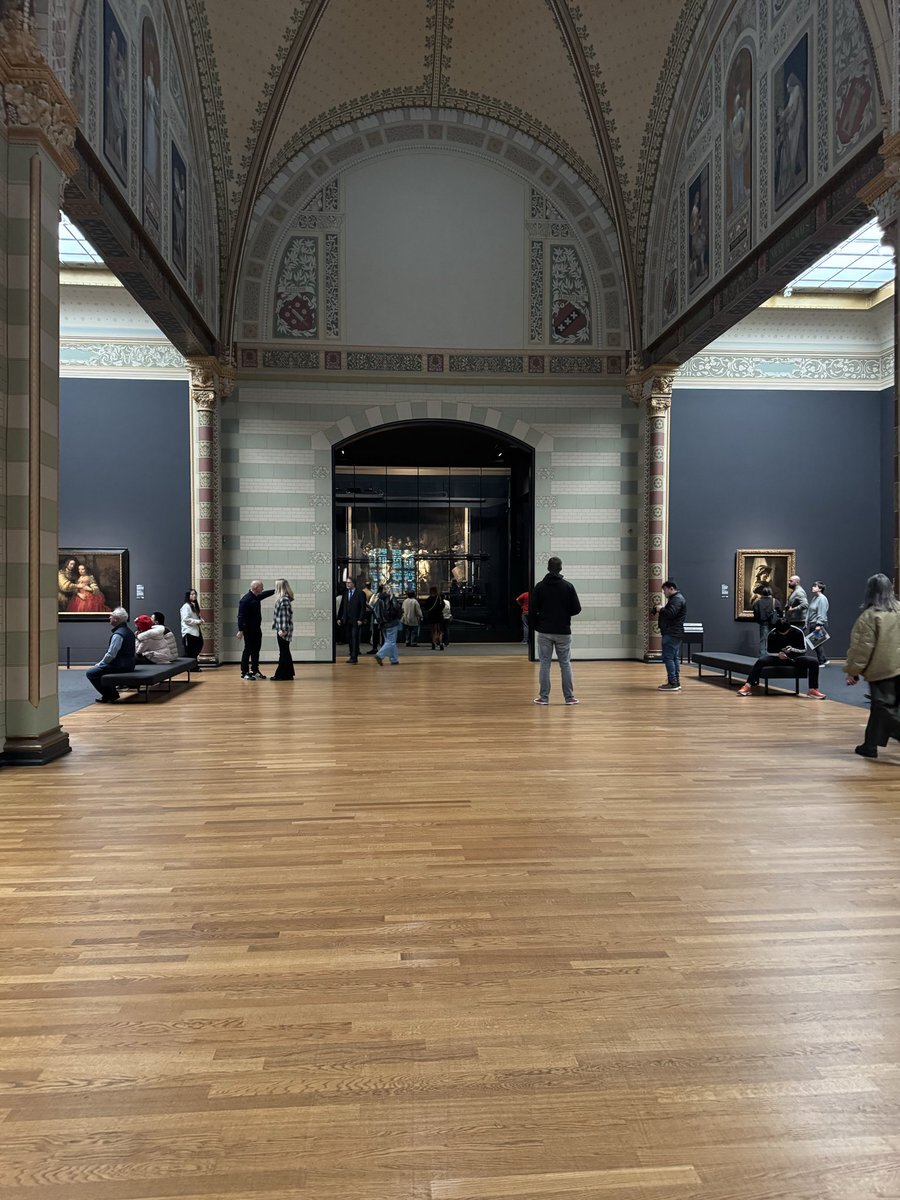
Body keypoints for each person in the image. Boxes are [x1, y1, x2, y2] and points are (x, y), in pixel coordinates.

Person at [844, 573, 900, 758]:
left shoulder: (869, 616)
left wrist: (853, 671)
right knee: (880, 708)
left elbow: (862, 648)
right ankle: (870, 745)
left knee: (884, 709)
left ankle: (871, 745)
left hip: (883, 669)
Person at [531, 555, 582, 705]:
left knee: (544, 664)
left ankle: (543, 698)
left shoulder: (540, 587)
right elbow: (577, 609)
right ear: (560, 568)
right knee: (565, 664)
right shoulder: (568, 586)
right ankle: (569, 698)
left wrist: (538, 625)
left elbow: (532, 610)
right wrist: (564, 614)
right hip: (563, 631)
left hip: (544, 631)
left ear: (548, 568)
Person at [737, 618, 826, 698]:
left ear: (789, 628)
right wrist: (778, 654)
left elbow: (803, 649)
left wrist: (792, 649)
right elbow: (769, 651)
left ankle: (813, 690)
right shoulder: (772, 634)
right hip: (778, 658)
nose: (783, 634)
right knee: (761, 661)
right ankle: (747, 686)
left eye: (785, 632)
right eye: (781, 633)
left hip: (795, 658)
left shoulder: (798, 632)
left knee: (814, 662)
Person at [86, 607, 135, 703]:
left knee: (91, 673)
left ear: (116, 619)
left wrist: (100, 664)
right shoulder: (128, 631)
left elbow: (111, 654)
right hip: (129, 664)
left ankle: (109, 695)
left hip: (120, 665)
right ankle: (111, 693)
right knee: (100, 669)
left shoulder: (118, 634)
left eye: (111, 616)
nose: (109, 617)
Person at [237, 579, 275, 680]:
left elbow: (265, 594)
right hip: (248, 630)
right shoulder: (245, 600)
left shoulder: (256, 597)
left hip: (257, 629)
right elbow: (241, 616)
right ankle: (244, 672)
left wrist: (276, 590)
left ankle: (255, 670)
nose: (263, 588)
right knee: (248, 650)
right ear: (256, 588)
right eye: (261, 587)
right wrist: (240, 630)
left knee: (256, 650)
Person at [653, 579, 687, 692]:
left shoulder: (677, 599)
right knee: (673, 657)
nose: (664, 592)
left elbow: (670, 614)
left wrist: (660, 609)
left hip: (672, 633)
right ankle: (675, 681)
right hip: (674, 633)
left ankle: (673, 683)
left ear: (671, 588)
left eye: (665, 590)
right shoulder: (676, 599)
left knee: (668, 658)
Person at [338, 578, 368, 663]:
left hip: (356, 620)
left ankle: (354, 657)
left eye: (349, 583)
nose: (347, 584)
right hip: (347, 620)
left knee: (355, 638)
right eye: (346, 583)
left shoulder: (360, 593)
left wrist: (361, 619)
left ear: (353, 584)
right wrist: (339, 618)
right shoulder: (345, 593)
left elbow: (363, 607)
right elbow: (342, 606)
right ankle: (351, 655)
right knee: (349, 638)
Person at [271, 578, 295, 681]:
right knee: (285, 651)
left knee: (283, 652)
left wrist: (283, 630)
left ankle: (281, 675)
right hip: (282, 629)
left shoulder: (283, 599)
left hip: (283, 630)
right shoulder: (284, 599)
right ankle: (288, 674)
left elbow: (285, 616)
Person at [373, 585, 402, 666]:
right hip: (392, 622)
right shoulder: (390, 597)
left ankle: (394, 659)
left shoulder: (379, 599)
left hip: (383, 623)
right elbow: (396, 607)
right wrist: (393, 596)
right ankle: (380, 655)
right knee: (391, 642)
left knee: (389, 641)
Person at [751, 585, 782, 656]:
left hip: (763, 624)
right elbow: (780, 613)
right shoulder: (775, 601)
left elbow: (755, 613)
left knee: (763, 641)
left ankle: (763, 658)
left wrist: (759, 620)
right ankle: (773, 656)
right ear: (770, 592)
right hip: (774, 624)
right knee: (774, 641)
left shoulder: (758, 602)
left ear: (763, 593)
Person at [807, 580, 830, 665]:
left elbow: (822, 612)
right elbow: (810, 611)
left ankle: (821, 661)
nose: (812, 587)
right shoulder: (815, 598)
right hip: (813, 623)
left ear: (820, 589)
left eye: (815, 586)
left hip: (818, 624)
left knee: (817, 643)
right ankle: (824, 660)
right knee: (816, 643)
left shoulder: (822, 599)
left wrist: (819, 625)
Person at [180, 589, 204, 665]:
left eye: (195, 594)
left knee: (199, 646)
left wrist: (200, 619)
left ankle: (194, 665)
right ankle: (191, 666)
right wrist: (197, 621)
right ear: (188, 595)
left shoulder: (195, 605)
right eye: (192, 594)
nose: (194, 596)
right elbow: (186, 619)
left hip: (195, 631)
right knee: (190, 651)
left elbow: (195, 616)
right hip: (189, 631)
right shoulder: (186, 606)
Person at [422, 586, 444, 650]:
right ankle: (440, 642)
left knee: (433, 630)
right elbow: (443, 606)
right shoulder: (439, 598)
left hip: (431, 616)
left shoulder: (428, 599)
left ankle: (433, 643)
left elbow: (426, 607)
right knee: (439, 630)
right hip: (439, 615)